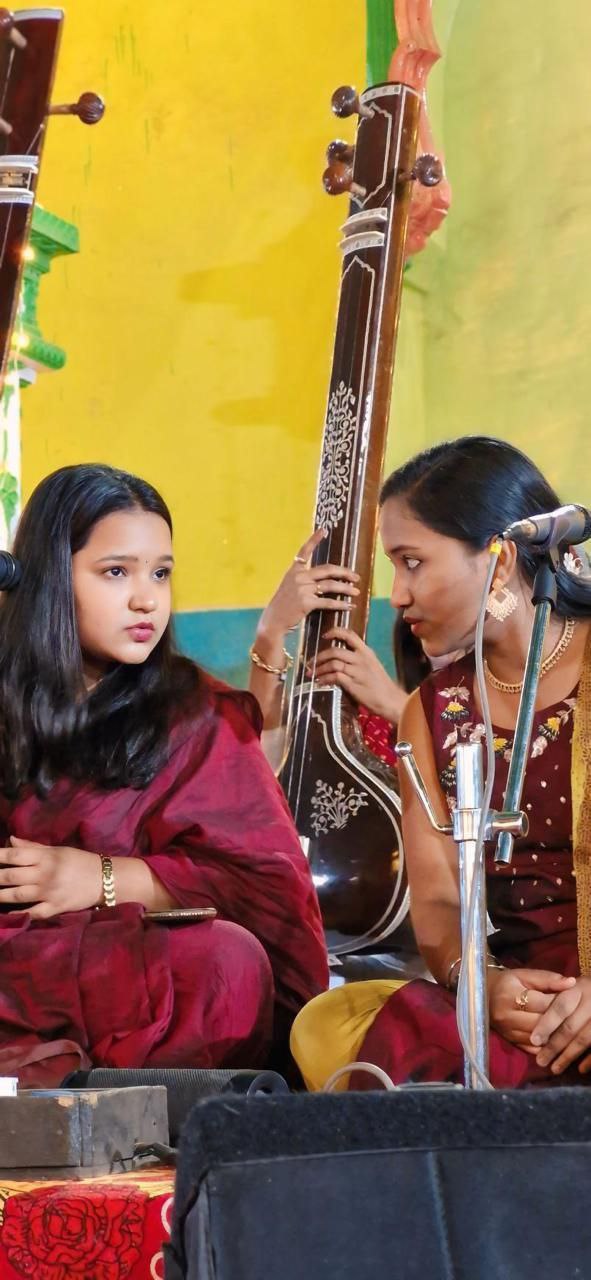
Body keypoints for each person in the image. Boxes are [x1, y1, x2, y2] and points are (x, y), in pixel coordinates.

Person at [0, 464, 328, 1086]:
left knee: (226, 965)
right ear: (47, 579)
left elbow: (267, 889)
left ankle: (87, 1091)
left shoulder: (198, 717)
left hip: (136, 970)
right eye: (116, 572)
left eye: (161, 573)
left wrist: (100, 880)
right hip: (25, 962)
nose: (147, 598)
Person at [290, 435, 591, 1090]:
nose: (396, 595)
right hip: (523, 1008)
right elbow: (434, 898)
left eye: (412, 562)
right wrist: (481, 983)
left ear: (499, 557)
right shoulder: (430, 710)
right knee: (329, 1021)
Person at [249, 528, 425, 766]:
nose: (398, 595)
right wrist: (270, 633)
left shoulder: (487, 705)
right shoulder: (364, 722)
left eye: (414, 563)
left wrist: (398, 707)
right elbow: (265, 768)